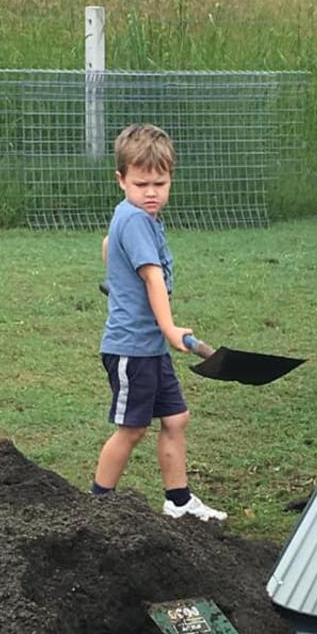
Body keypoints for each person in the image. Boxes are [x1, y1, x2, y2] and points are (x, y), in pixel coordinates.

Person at [91, 123, 227, 522]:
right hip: (132, 348)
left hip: (149, 346)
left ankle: (179, 501)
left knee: (175, 418)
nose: (151, 193)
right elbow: (152, 276)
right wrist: (170, 329)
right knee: (132, 429)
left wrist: (116, 275)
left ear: (170, 179)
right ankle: (96, 506)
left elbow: (106, 246)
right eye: (141, 183)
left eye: (160, 183)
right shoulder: (134, 219)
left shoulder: (134, 217)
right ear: (121, 180)